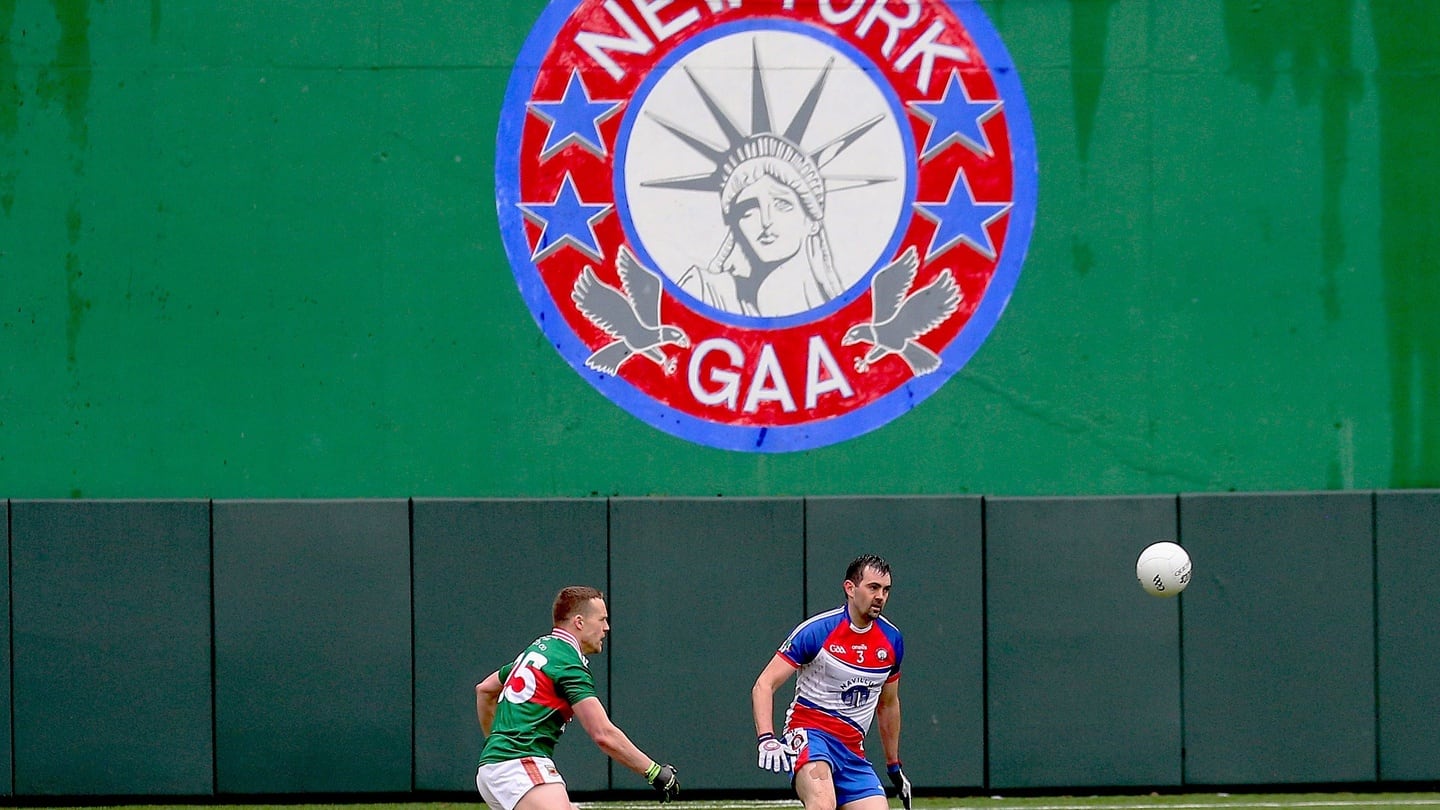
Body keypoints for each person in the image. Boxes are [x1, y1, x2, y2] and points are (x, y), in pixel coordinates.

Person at [475, 586, 679, 810]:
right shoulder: (568, 664)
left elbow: (485, 690)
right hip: (520, 768)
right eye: (601, 619)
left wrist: (496, 745)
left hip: (499, 768)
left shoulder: (540, 650)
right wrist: (654, 772)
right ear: (579, 622)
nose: (606, 627)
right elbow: (603, 734)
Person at [751, 554, 912, 810]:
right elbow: (764, 684)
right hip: (809, 736)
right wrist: (767, 738)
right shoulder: (817, 631)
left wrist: (894, 767)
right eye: (873, 587)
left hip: (852, 751)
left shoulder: (892, 640)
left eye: (885, 589)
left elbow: (888, 704)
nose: (880, 596)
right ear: (850, 588)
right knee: (823, 804)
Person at [677, 134, 846, 317]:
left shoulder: (840, 316)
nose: (766, 220)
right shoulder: (703, 290)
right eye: (749, 210)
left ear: (812, 221)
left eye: (782, 204)